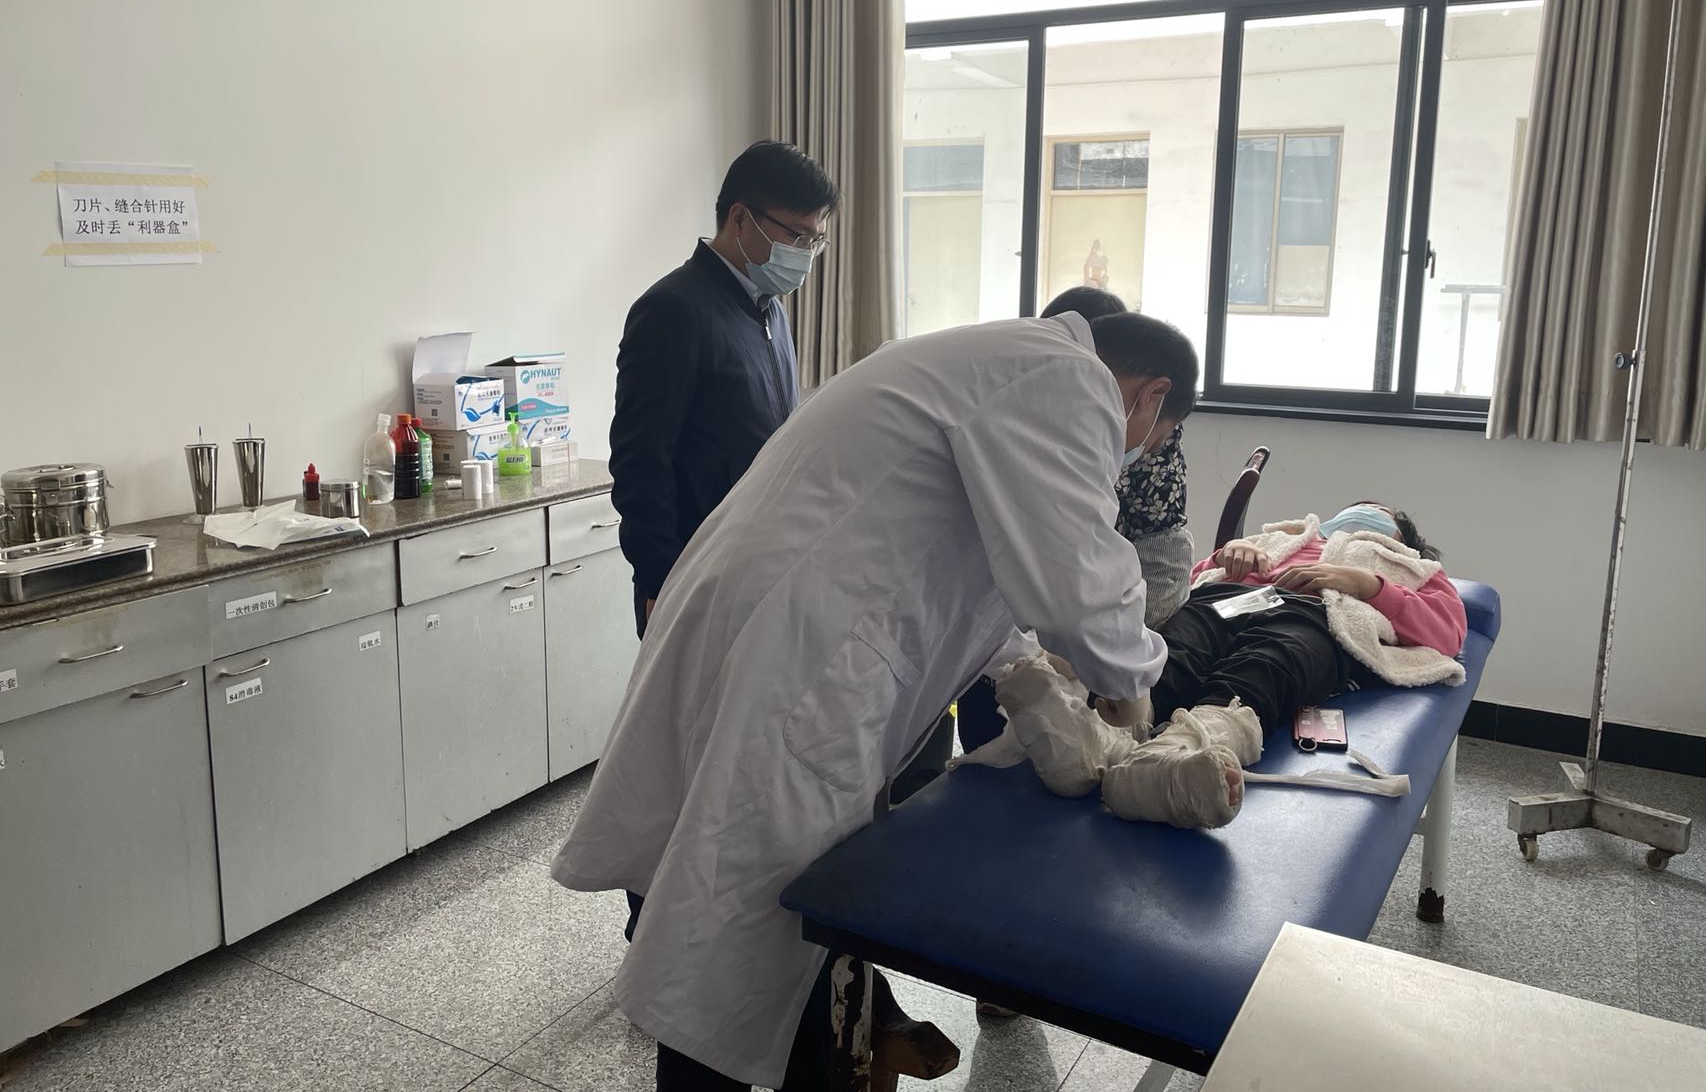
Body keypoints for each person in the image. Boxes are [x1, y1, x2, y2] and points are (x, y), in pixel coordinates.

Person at [552, 311, 1198, 1090]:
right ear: (1150, 395)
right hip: (802, 657)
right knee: (740, 918)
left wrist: (1031, 668)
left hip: (754, 615)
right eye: (1152, 439)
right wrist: (1132, 686)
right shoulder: (1070, 380)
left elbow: (966, 563)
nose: (1134, 453)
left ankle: (801, 1055)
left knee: (726, 892)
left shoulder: (989, 357)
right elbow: (1080, 574)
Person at [961, 502, 1467, 830]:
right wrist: (1229, 555)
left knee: (1267, 665)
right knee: (1176, 652)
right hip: (1227, 600)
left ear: (1398, 538)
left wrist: (1367, 584)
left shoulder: (1407, 567)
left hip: (1316, 617)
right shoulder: (1285, 536)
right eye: (1358, 507)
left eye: (1378, 514)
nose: (1362, 514)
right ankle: (1101, 743)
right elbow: (1195, 577)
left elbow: (1448, 631)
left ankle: (1177, 757)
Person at [609, 140, 839, 639]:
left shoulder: (769, 310)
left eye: (815, 241)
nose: (804, 254)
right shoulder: (673, 310)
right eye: (796, 236)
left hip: (757, 568)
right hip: (694, 579)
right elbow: (639, 463)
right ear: (740, 218)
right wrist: (662, 582)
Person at [956, 286, 1195, 755]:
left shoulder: (1137, 429)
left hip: (1118, 611)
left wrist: (1118, 661)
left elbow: (1123, 568)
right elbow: (1064, 571)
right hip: (1046, 614)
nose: (1142, 451)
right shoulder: (1043, 412)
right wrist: (1123, 678)